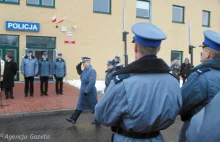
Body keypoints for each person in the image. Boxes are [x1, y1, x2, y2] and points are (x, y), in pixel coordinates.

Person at [95, 22, 182, 142]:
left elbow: (102, 116)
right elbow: (175, 111)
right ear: (159, 48)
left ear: (135, 47)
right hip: (157, 138)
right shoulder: (173, 81)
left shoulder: (123, 81)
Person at [179, 30, 220, 142]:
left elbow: (182, 102)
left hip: (199, 130)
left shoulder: (201, 75)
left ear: (208, 54)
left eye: (202, 50)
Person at [66, 57, 98, 124]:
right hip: (83, 91)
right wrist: (78, 69)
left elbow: (92, 82)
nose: (83, 64)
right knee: (80, 105)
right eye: (82, 62)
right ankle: (73, 119)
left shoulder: (92, 71)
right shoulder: (85, 70)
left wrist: (87, 91)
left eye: (84, 62)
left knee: (94, 107)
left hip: (90, 92)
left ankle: (98, 120)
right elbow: (82, 75)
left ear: (88, 62)